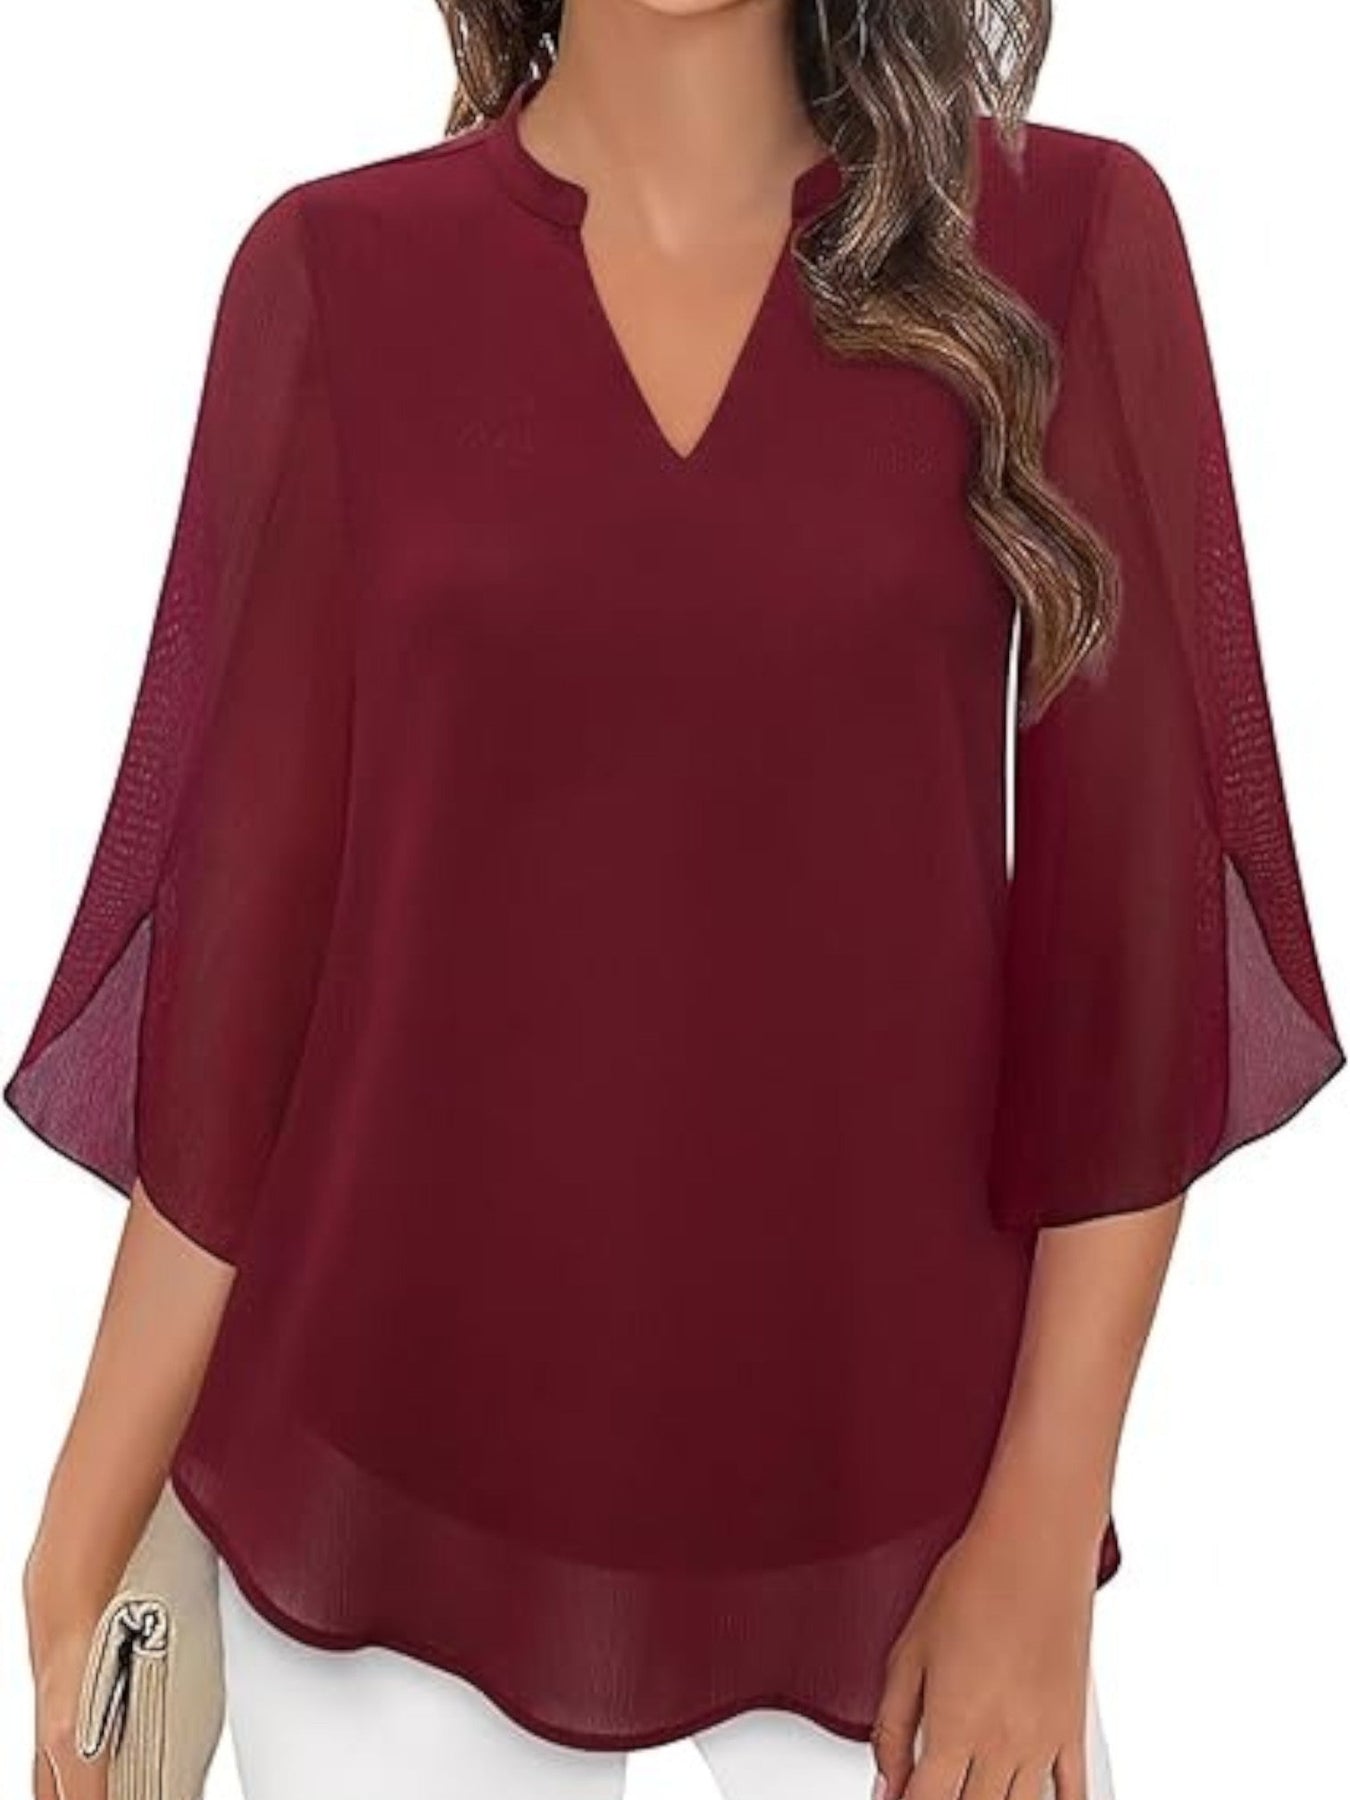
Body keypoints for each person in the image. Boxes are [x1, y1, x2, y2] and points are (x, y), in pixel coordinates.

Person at [10, 3, 1344, 1798]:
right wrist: (85, 1512)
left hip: (899, 1499)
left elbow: (1126, 966)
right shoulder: (332, 274)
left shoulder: (1060, 241)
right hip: (380, 1485)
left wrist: (1042, 1537)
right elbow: (244, 992)